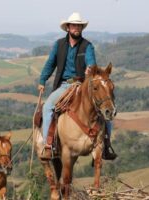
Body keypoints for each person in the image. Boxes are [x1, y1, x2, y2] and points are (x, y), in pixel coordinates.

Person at [38, 12, 117, 160]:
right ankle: (48, 145)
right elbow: (50, 64)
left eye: (79, 26)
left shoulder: (87, 46)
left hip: (82, 85)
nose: (76, 28)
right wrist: (42, 80)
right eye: (74, 25)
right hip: (64, 85)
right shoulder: (59, 45)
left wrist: (90, 68)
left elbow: (91, 62)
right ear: (68, 27)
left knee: (105, 109)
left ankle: (106, 145)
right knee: (48, 107)